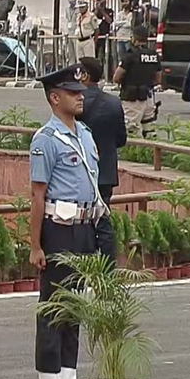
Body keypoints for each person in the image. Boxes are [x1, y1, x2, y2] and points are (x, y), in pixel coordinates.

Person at [28, 65, 105, 379]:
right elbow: (37, 195)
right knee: (53, 309)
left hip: (85, 227)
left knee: (74, 310)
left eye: (81, 91)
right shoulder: (46, 139)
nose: (81, 96)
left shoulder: (85, 134)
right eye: (73, 92)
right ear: (54, 97)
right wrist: (35, 244)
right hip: (58, 229)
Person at [76, 57, 127, 259]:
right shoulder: (114, 102)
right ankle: (108, 267)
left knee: (79, 221)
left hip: (80, 172)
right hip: (106, 173)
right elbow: (121, 139)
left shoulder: (75, 101)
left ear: (85, 75)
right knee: (103, 220)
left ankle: (84, 264)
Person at [113, 25, 162, 137]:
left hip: (132, 98)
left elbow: (116, 78)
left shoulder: (130, 56)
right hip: (149, 96)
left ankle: (132, 154)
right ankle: (150, 154)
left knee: (131, 131)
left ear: (134, 38)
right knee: (149, 129)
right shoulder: (154, 55)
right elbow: (158, 78)